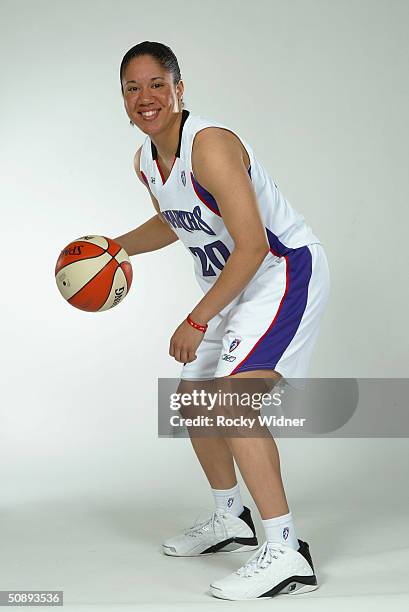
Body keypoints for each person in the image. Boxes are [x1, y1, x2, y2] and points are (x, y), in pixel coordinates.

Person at [114, 40, 330, 601]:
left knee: (232, 400)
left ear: (179, 89)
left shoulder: (208, 145)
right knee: (194, 399)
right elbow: (174, 221)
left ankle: (285, 552)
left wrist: (197, 318)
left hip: (282, 272)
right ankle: (231, 518)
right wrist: (116, 248)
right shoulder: (146, 160)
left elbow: (254, 244)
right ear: (123, 99)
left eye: (156, 84)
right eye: (133, 88)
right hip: (233, 285)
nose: (146, 97)